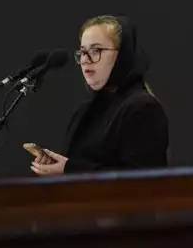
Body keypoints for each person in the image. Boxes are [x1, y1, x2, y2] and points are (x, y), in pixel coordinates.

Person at [25, 15, 169, 175]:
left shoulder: (142, 108)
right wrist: (58, 167)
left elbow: (140, 181)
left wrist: (69, 169)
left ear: (123, 55)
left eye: (96, 51)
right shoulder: (86, 110)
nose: (85, 60)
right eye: (82, 52)